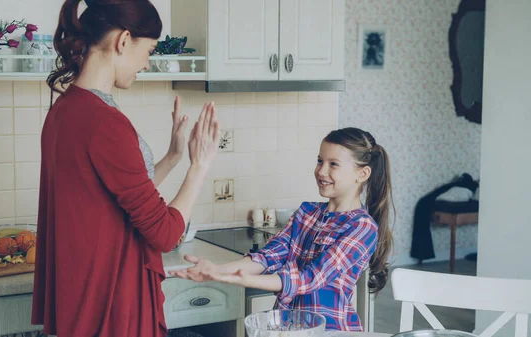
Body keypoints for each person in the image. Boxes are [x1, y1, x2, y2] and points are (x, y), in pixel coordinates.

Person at [31, 0, 220, 336]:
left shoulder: (64, 109)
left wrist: (173, 157)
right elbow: (164, 233)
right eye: (148, 50)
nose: (147, 63)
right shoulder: (104, 122)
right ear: (123, 41)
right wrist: (199, 166)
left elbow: (115, 195)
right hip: (112, 302)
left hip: (83, 298)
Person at [170, 127, 394, 331]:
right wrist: (218, 270)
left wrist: (239, 279)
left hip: (331, 331)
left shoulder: (362, 227)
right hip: (290, 328)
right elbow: (268, 257)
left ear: (361, 174)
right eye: (319, 161)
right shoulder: (307, 213)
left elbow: (310, 279)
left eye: (333, 164)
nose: (321, 171)